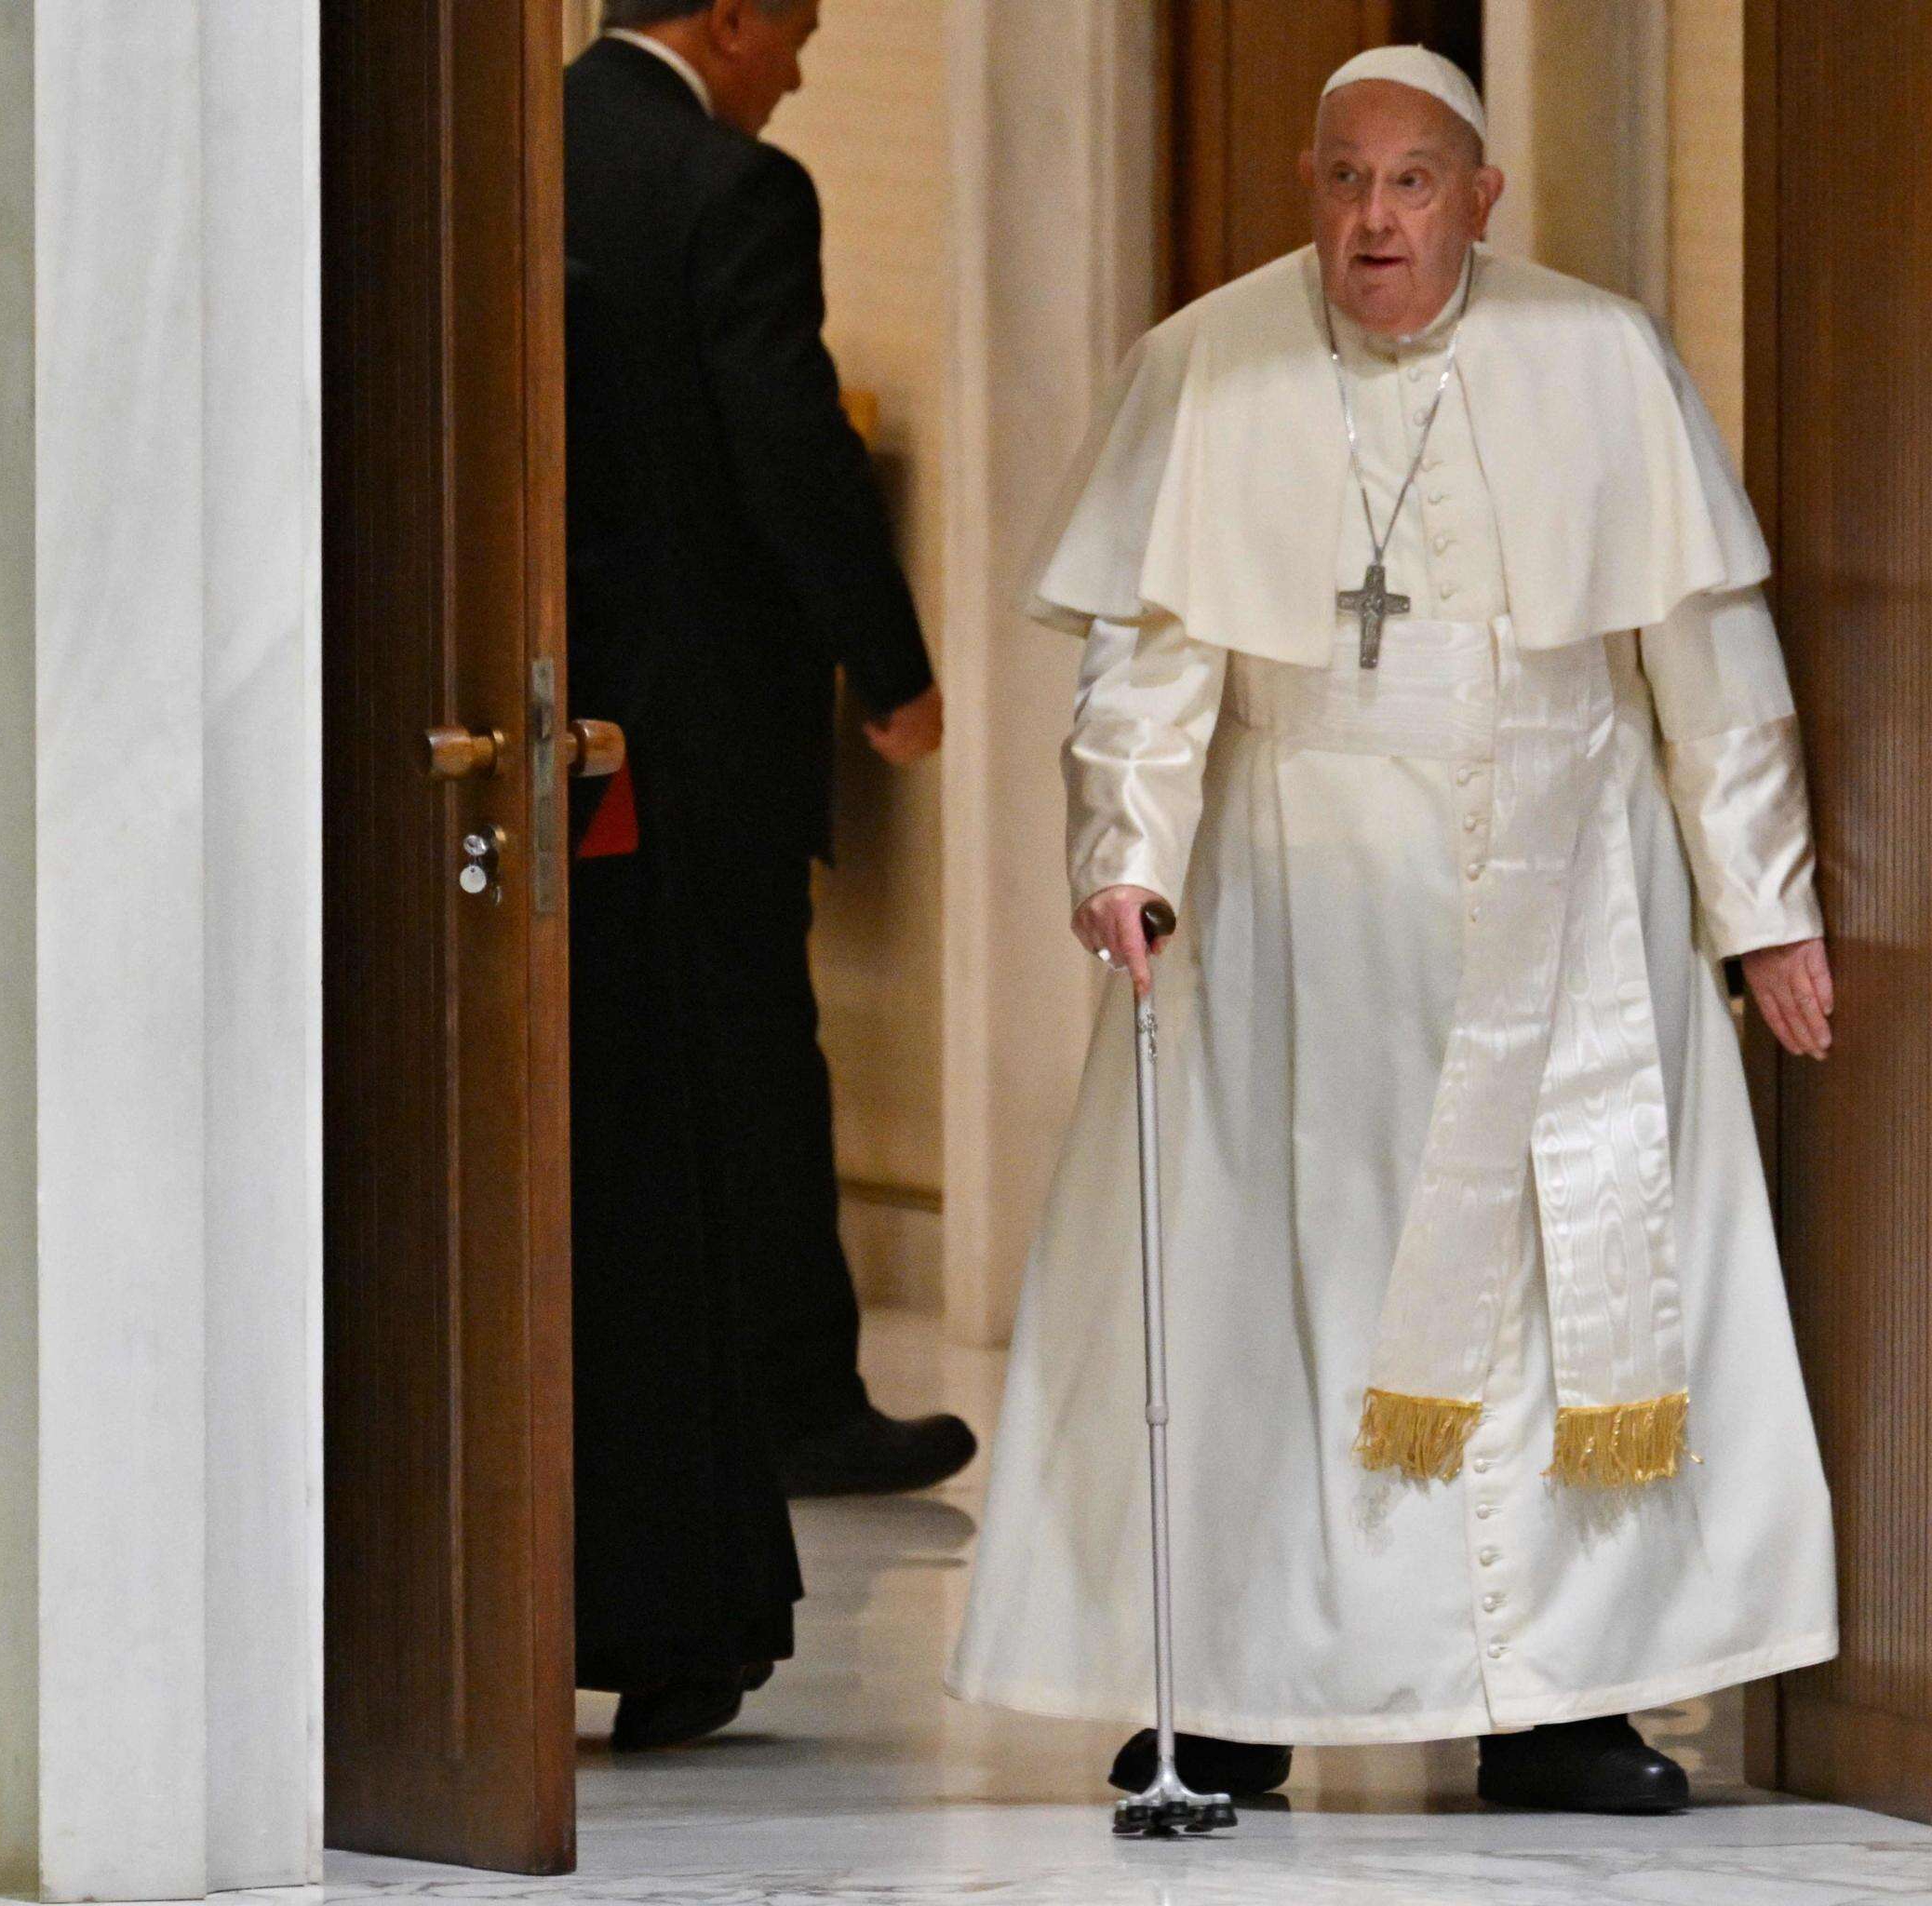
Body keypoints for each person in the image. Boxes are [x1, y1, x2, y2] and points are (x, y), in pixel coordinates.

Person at [946, 47, 1839, 1814]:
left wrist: (1764, 911)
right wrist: (1126, 852)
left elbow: (1711, 671)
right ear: (1311, 186)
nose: (1375, 218)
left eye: (1414, 181)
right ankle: (1244, 1691)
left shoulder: (1599, 356)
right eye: (1346, 179)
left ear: (1482, 198)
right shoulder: (1210, 362)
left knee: (1565, 1294)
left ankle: (1560, 1705)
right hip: (1301, 911)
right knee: (1285, 1292)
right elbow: (1153, 654)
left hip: (1572, 875)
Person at [564, 0, 974, 1752]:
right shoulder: (737, 188)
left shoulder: (516, 152)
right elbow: (786, 445)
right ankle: (796, 1393)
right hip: (694, 735)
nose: (798, 69)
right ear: (726, 19)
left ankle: (775, 1392)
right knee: (740, 1065)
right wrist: (890, 667)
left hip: (544, 729)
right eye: (791, 32)